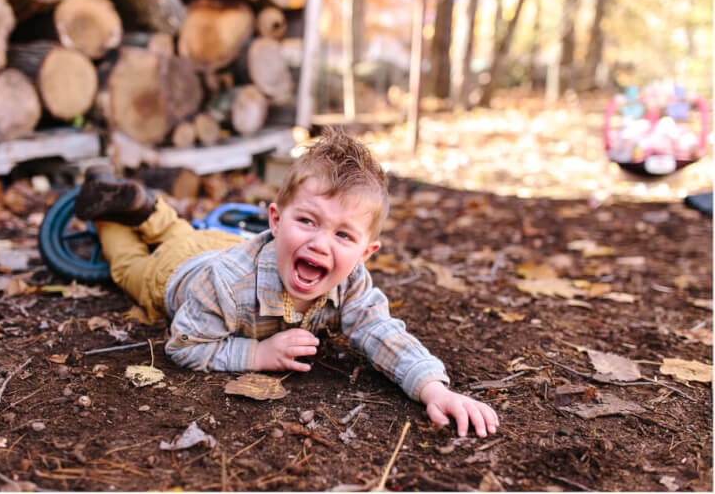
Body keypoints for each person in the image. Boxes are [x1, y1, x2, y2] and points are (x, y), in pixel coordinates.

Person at [74, 129, 499, 437]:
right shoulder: (226, 286)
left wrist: (431, 387)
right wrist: (257, 353)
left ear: (365, 254)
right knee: (129, 267)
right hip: (177, 272)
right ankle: (108, 214)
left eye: (343, 235)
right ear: (275, 221)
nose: (320, 243)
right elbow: (184, 345)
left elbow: (379, 329)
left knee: (186, 233)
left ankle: (148, 209)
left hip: (220, 243)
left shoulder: (349, 279)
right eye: (308, 221)